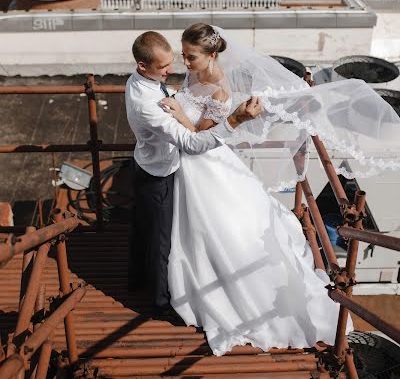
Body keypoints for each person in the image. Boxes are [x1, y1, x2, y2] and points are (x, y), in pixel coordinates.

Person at [161, 23, 400, 356]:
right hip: (192, 168)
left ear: (213, 55)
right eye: (183, 55)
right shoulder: (194, 76)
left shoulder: (219, 90)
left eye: (191, 57)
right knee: (194, 230)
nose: (184, 63)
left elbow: (201, 140)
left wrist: (174, 114)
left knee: (217, 230)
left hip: (203, 163)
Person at [125, 31, 263, 323]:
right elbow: (191, 142)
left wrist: (179, 105)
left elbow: (193, 124)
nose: (175, 68)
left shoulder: (144, 81)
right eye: (165, 66)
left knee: (151, 229)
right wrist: (235, 120)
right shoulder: (148, 103)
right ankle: (161, 304)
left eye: (184, 58)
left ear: (211, 55)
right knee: (162, 241)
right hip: (162, 171)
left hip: (164, 164)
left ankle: (136, 278)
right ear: (142, 65)